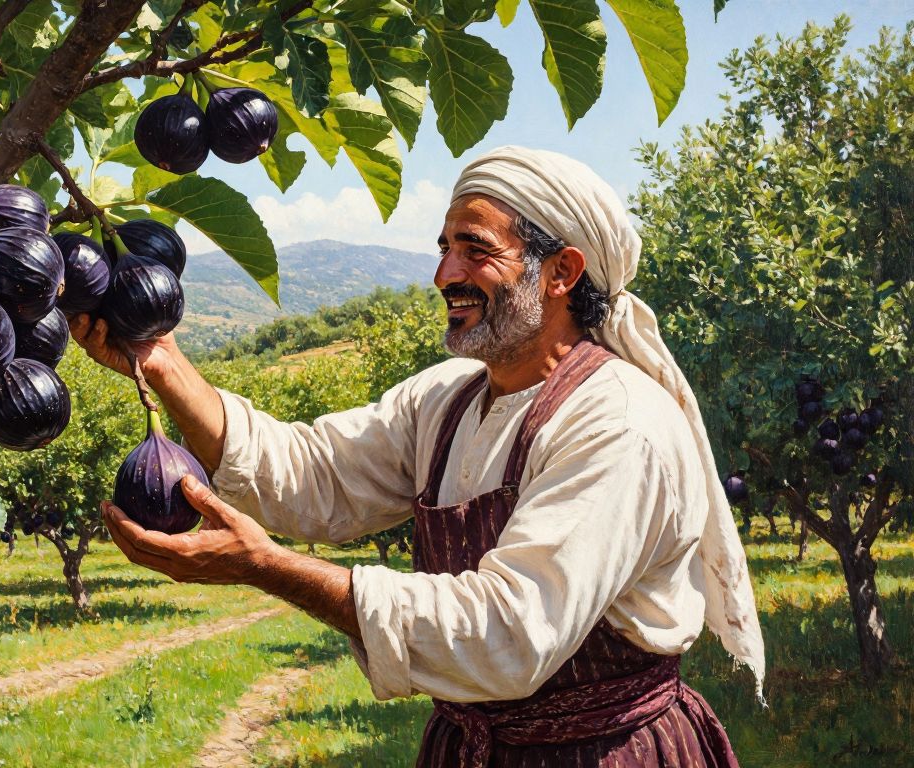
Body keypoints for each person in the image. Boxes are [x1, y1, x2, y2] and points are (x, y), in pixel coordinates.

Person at [70, 146, 765, 766]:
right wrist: (162, 363)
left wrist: (267, 568)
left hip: (606, 753)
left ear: (562, 271)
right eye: (443, 248)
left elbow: (510, 633)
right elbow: (314, 475)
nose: (444, 273)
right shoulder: (447, 401)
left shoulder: (618, 422)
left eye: (475, 249)